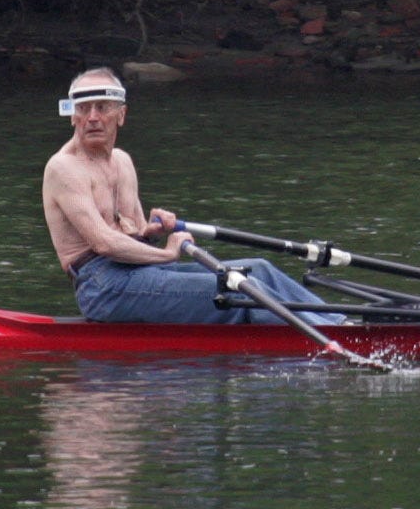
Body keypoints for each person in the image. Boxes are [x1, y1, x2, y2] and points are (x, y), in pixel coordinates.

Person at [40, 67, 342, 324]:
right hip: (103, 286)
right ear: (72, 116)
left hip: (142, 271)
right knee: (237, 289)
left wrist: (155, 231)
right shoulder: (64, 168)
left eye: (102, 107)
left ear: (121, 115)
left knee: (259, 269)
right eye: (83, 108)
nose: (92, 117)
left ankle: (338, 322)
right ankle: (330, 336)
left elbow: (134, 233)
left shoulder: (122, 161)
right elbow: (104, 242)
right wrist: (169, 253)